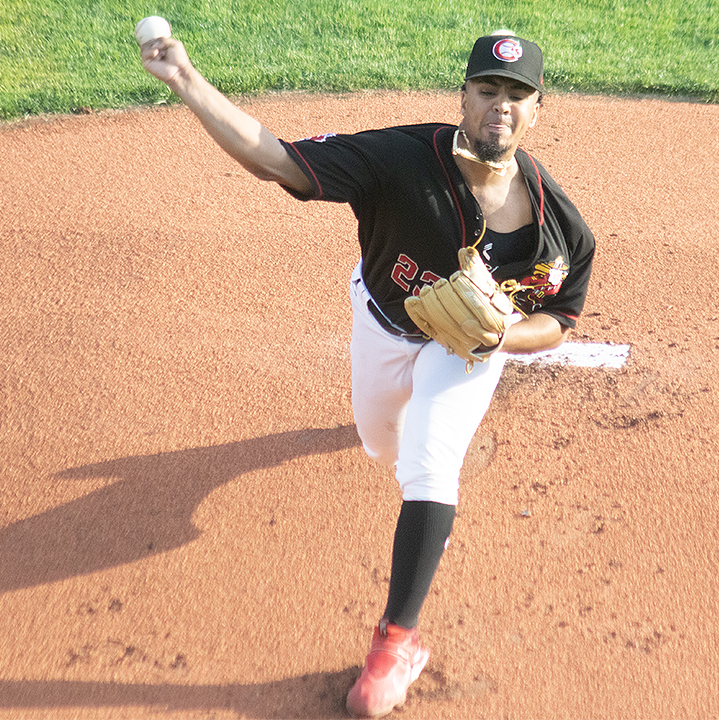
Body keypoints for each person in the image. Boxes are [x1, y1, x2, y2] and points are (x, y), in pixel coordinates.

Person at [140, 29, 595, 718]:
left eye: (516, 95)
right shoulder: (400, 158)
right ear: (464, 96)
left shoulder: (561, 228)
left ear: (538, 108)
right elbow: (278, 160)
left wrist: (502, 333)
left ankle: (396, 642)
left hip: (465, 351)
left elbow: (558, 319)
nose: (500, 106)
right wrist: (189, 82)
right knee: (379, 441)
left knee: (427, 461)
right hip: (381, 324)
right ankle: (396, 430)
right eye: (487, 90)